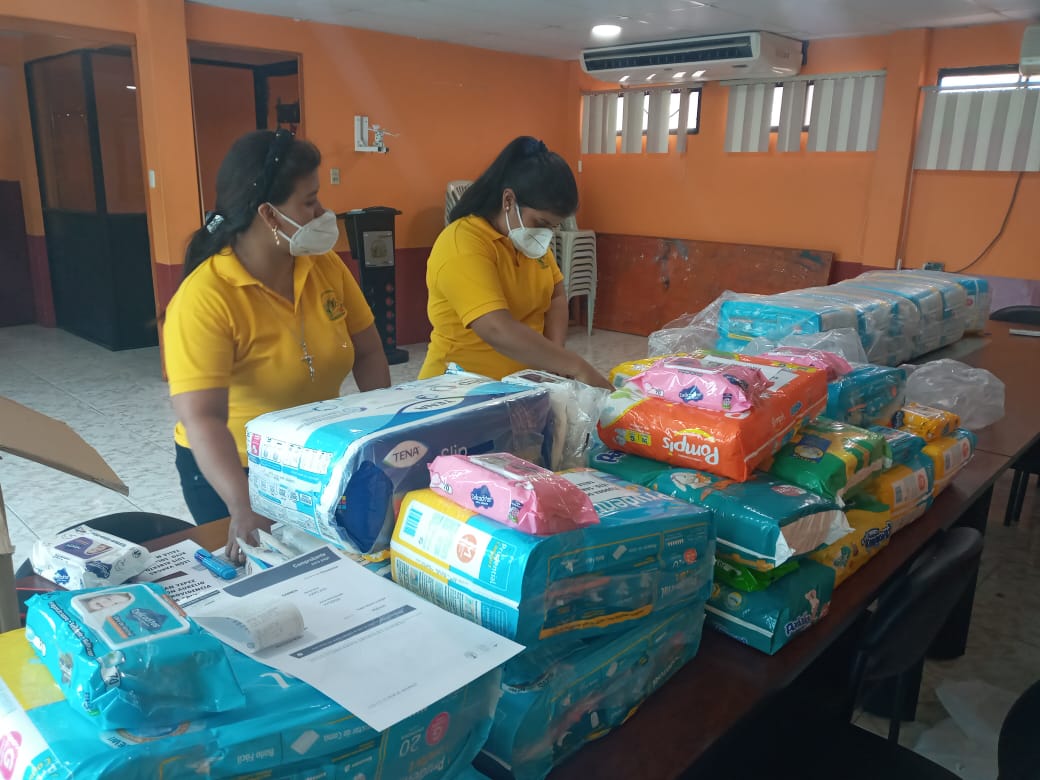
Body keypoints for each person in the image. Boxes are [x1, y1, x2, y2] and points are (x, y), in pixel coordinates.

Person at [165, 130, 390, 562]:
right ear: (268, 214)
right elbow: (202, 418)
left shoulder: (323, 266)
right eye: (310, 202)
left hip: (316, 455)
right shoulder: (206, 297)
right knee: (268, 576)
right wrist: (241, 505)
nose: (322, 213)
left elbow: (369, 352)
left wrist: (377, 436)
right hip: (236, 470)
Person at [419, 136, 611, 388]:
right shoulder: (463, 242)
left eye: (553, 227)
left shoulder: (528, 242)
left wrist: (553, 360)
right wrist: (574, 365)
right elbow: (496, 328)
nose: (546, 234)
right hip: (457, 391)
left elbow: (556, 295)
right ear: (508, 200)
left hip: (519, 390)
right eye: (541, 223)